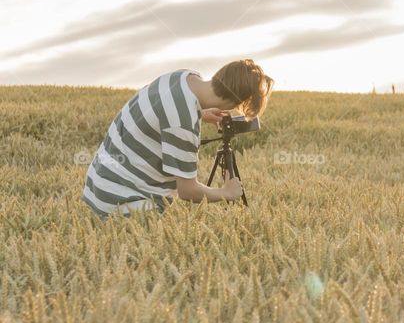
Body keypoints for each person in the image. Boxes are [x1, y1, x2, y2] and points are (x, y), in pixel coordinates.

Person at [82, 59, 274, 219]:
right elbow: (187, 191)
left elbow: (166, 109)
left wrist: (201, 113)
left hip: (98, 185)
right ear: (235, 102)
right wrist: (226, 193)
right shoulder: (182, 123)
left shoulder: (184, 77)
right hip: (122, 203)